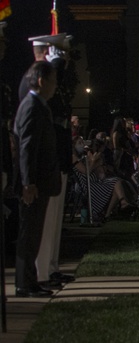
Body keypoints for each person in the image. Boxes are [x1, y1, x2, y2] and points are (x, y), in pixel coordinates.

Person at [14, 61, 62, 297]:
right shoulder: (32, 106)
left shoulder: (38, 105)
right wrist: (28, 182)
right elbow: (27, 147)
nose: (55, 86)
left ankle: (30, 280)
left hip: (40, 180)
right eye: (52, 81)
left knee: (34, 233)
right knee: (29, 233)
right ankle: (25, 283)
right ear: (41, 81)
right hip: (35, 183)